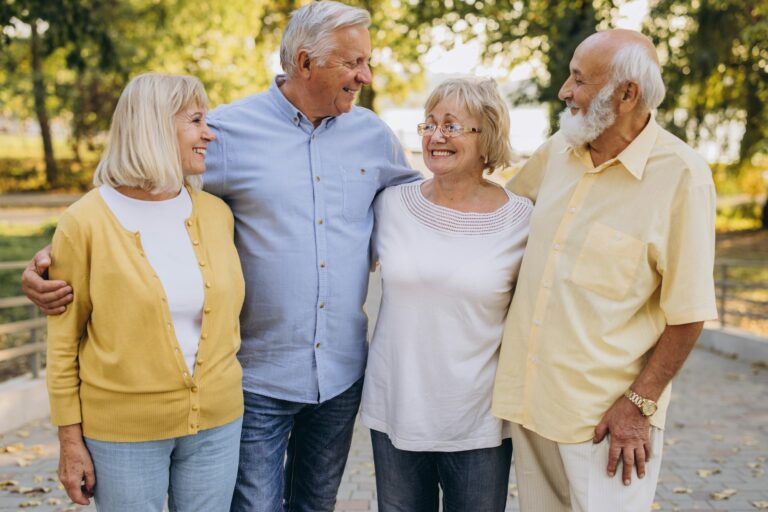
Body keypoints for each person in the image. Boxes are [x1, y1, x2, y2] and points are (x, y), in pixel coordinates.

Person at [23, 2, 419, 511]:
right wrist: (56, 258)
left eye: (367, 61)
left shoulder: (375, 136)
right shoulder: (225, 133)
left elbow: (423, 209)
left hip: (340, 374)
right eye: (353, 63)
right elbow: (141, 196)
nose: (366, 75)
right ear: (305, 62)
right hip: (253, 378)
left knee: (315, 504)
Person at [491, 29, 718, 512]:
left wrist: (639, 406)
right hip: (530, 405)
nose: (564, 92)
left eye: (578, 80)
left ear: (627, 94)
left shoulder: (682, 175)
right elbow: (499, 216)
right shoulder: (559, 150)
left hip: (606, 425)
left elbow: (689, 312)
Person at [45, 73, 245, 511]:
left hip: (217, 424)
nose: (209, 133)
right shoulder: (85, 223)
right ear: (154, 126)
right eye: (195, 120)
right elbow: (62, 346)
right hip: (123, 435)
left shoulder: (215, 214)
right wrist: (69, 440)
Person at [359, 77, 533, 511]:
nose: (436, 136)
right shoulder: (391, 205)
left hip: (479, 422)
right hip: (397, 408)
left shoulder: (522, 219)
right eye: (430, 124)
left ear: (486, 137)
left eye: (452, 126)